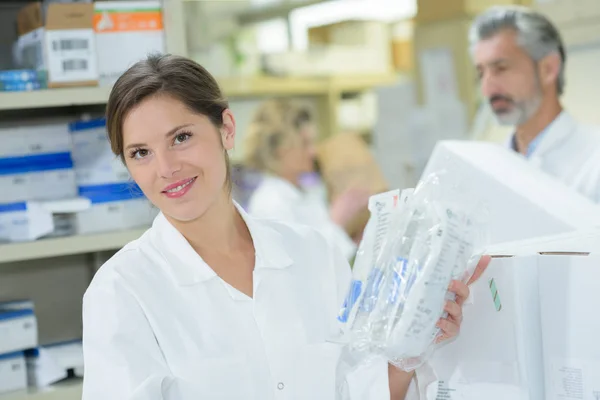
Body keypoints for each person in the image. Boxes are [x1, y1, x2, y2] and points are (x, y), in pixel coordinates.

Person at [81, 54, 490, 400]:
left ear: (226, 128)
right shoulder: (121, 290)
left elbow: (355, 388)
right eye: (140, 153)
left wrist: (414, 342)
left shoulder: (313, 253)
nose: (166, 168)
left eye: (181, 137)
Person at [470, 6, 600, 202]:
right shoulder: (488, 167)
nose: (487, 88)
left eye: (501, 68)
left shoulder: (593, 159)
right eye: (481, 73)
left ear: (548, 69)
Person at [243, 99, 369, 260]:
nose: (313, 151)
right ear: (281, 150)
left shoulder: (309, 191)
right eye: (305, 143)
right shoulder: (270, 204)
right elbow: (304, 265)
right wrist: (338, 221)